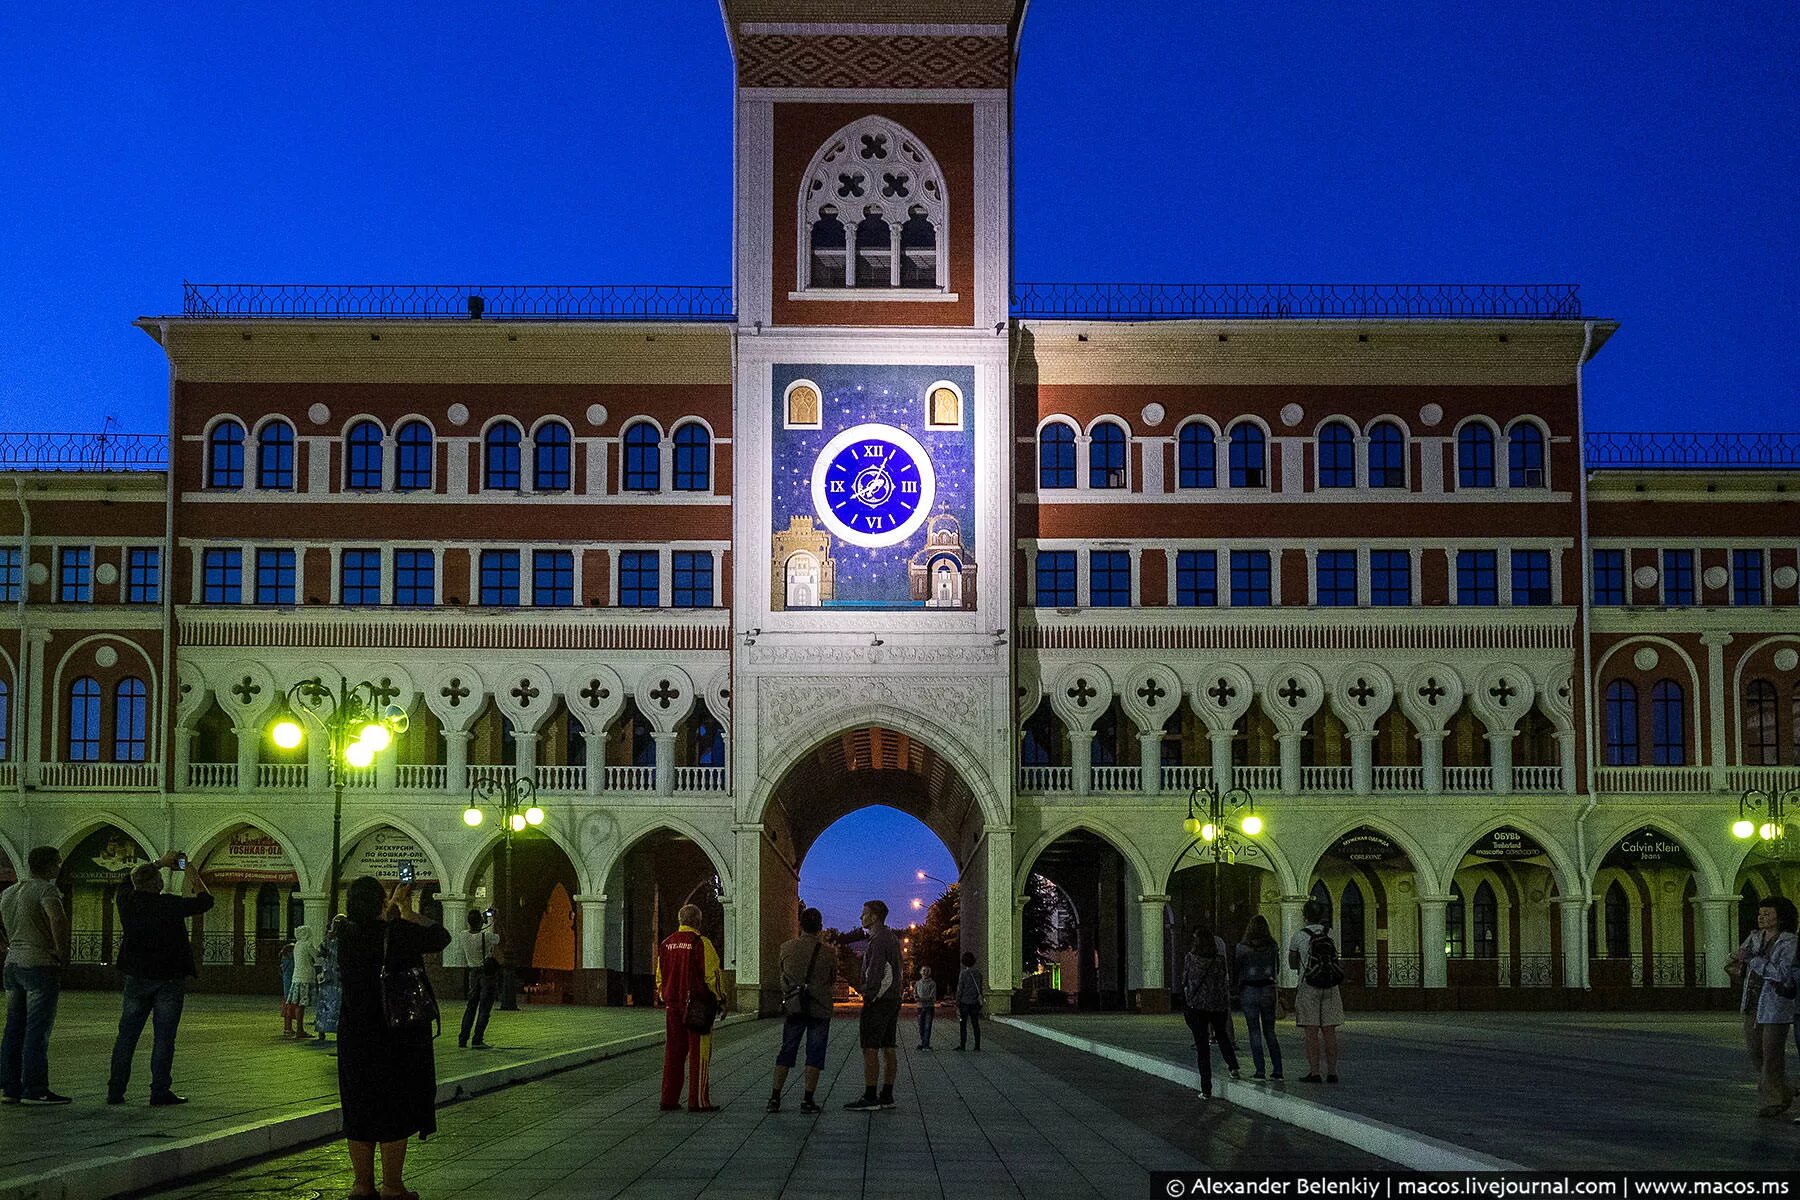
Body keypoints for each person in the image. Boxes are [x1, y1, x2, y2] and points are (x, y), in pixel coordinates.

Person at [334, 874, 450, 1200]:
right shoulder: (397, 935)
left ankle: (361, 1184)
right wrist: (406, 910)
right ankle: (392, 1186)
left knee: (358, 1106)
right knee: (393, 1107)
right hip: (395, 1035)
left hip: (354, 1034)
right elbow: (441, 937)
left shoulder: (344, 934)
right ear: (381, 903)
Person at [107, 852, 214, 1105]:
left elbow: (125, 881)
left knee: (126, 1036)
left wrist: (159, 863)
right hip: (168, 978)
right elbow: (206, 901)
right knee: (164, 1037)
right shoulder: (169, 904)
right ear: (158, 884)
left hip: (136, 977)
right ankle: (159, 1091)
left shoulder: (127, 901)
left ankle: (115, 1090)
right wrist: (189, 870)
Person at [0, 845, 71, 1105]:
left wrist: (8, 944)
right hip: (39, 963)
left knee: (13, 1027)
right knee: (36, 1029)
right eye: (58, 863)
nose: (59, 867)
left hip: (12, 964)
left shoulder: (9, 892)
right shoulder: (46, 890)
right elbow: (57, 919)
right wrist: (61, 952)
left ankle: (10, 1088)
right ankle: (35, 1088)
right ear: (51, 865)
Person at [1727, 895, 1798, 1117]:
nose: (1762, 917)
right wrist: (1737, 959)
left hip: (1776, 1005)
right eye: (1760, 913)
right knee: (1755, 1051)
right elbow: (1740, 958)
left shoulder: (1789, 942)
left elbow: (1782, 975)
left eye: (1768, 913)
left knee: (1772, 1054)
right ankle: (1783, 1089)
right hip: (1752, 1002)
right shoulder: (1755, 938)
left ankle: (1772, 1100)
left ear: (1781, 917)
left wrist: (1753, 960)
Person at [655, 902, 725, 1113]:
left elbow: (660, 976)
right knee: (699, 1054)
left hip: (672, 1007)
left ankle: (668, 1099)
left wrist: (664, 995)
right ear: (697, 922)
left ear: (680, 921)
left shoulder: (666, 944)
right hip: (697, 1007)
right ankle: (698, 1101)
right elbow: (712, 976)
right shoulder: (701, 943)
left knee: (673, 1052)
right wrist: (721, 999)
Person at [768, 906, 835, 1115]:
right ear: (820, 927)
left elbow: (782, 975)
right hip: (819, 1008)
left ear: (800, 924)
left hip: (795, 1007)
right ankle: (807, 1100)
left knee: (787, 1050)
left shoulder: (786, 948)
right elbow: (832, 979)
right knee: (815, 1053)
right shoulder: (829, 952)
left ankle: (775, 1098)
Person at [843, 900, 903, 1112]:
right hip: (892, 999)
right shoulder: (891, 938)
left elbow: (876, 972)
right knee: (888, 1046)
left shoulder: (878, 941)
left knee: (870, 1047)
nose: (861, 917)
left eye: (864, 913)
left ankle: (870, 1097)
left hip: (879, 1001)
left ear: (875, 916)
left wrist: (869, 996)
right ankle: (887, 1095)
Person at [1287, 898, 1345, 1083]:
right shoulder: (1332, 933)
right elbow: (1338, 959)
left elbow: (1292, 963)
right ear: (1322, 916)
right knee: (1329, 1031)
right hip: (1331, 985)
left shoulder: (1299, 936)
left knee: (1311, 1032)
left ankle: (1314, 1072)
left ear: (1305, 916)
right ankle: (1332, 1072)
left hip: (1308, 985)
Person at [1181, 924, 1241, 1099]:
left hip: (1197, 1006)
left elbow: (1185, 980)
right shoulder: (1220, 960)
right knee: (1222, 1036)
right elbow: (1223, 982)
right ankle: (1234, 1067)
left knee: (1202, 1048)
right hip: (1217, 1005)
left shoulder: (1191, 959)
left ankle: (1206, 1089)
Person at [1235, 914, 1283, 1080]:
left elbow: (1238, 969)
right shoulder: (1273, 946)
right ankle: (1278, 1070)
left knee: (1254, 1031)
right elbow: (1276, 969)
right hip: (1268, 989)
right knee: (1270, 1031)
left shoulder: (1242, 948)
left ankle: (1260, 1070)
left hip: (1249, 990)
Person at [458, 909, 502, 1049]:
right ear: (481, 921)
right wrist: (496, 920)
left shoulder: (463, 935)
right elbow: (500, 939)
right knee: (484, 1008)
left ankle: (463, 1039)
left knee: (470, 1007)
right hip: (486, 974)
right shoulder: (486, 936)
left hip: (472, 973)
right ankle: (477, 1039)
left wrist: (484, 921)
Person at [313, 916, 344, 1042]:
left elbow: (320, 952)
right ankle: (338, 1030)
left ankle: (321, 1030)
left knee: (324, 1002)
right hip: (340, 975)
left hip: (327, 975)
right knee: (338, 1002)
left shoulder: (328, 938)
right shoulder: (345, 939)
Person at [289, 923, 321, 1039]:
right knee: (302, 1005)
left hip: (296, 977)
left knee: (298, 1004)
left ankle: (299, 1028)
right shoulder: (307, 945)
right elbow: (317, 955)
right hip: (305, 977)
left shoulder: (297, 945)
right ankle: (300, 1030)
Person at [954, 951, 985, 1051]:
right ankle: (977, 1046)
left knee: (963, 1024)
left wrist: (957, 1002)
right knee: (975, 1024)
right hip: (975, 1003)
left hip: (964, 1002)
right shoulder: (978, 973)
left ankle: (963, 1045)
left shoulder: (963, 973)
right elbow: (980, 988)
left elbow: (960, 989)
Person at [279, 939, 299, 1038]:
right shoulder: (292, 962)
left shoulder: (284, 962)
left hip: (286, 989)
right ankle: (288, 1028)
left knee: (287, 1007)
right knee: (291, 1008)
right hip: (291, 987)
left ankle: (287, 1028)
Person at [915, 965, 938, 1050]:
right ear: (920, 972)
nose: (925, 972)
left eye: (927, 971)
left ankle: (926, 1044)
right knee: (921, 1026)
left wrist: (921, 999)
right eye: (924, 970)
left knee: (927, 1026)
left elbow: (932, 996)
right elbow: (915, 994)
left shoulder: (932, 983)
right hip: (920, 1007)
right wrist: (918, 998)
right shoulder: (917, 983)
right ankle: (923, 1042)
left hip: (929, 1007)